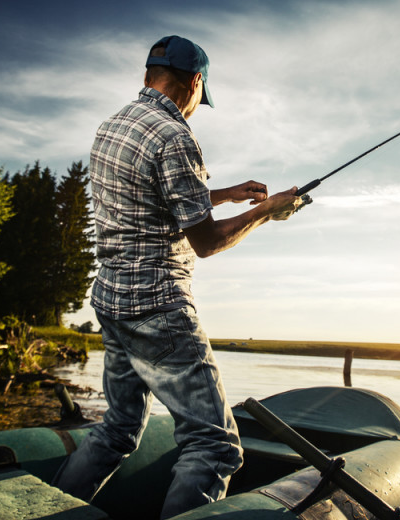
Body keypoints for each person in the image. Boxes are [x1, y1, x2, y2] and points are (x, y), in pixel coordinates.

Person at [52, 35, 304, 519]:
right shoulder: (174, 135)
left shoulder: (113, 126)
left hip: (110, 299)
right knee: (215, 447)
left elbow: (151, 197)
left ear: (149, 76)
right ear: (195, 82)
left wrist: (226, 193)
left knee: (118, 430)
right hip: (159, 307)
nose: (196, 108)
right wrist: (268, 212)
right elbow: (205, 243)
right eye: (199, 97)